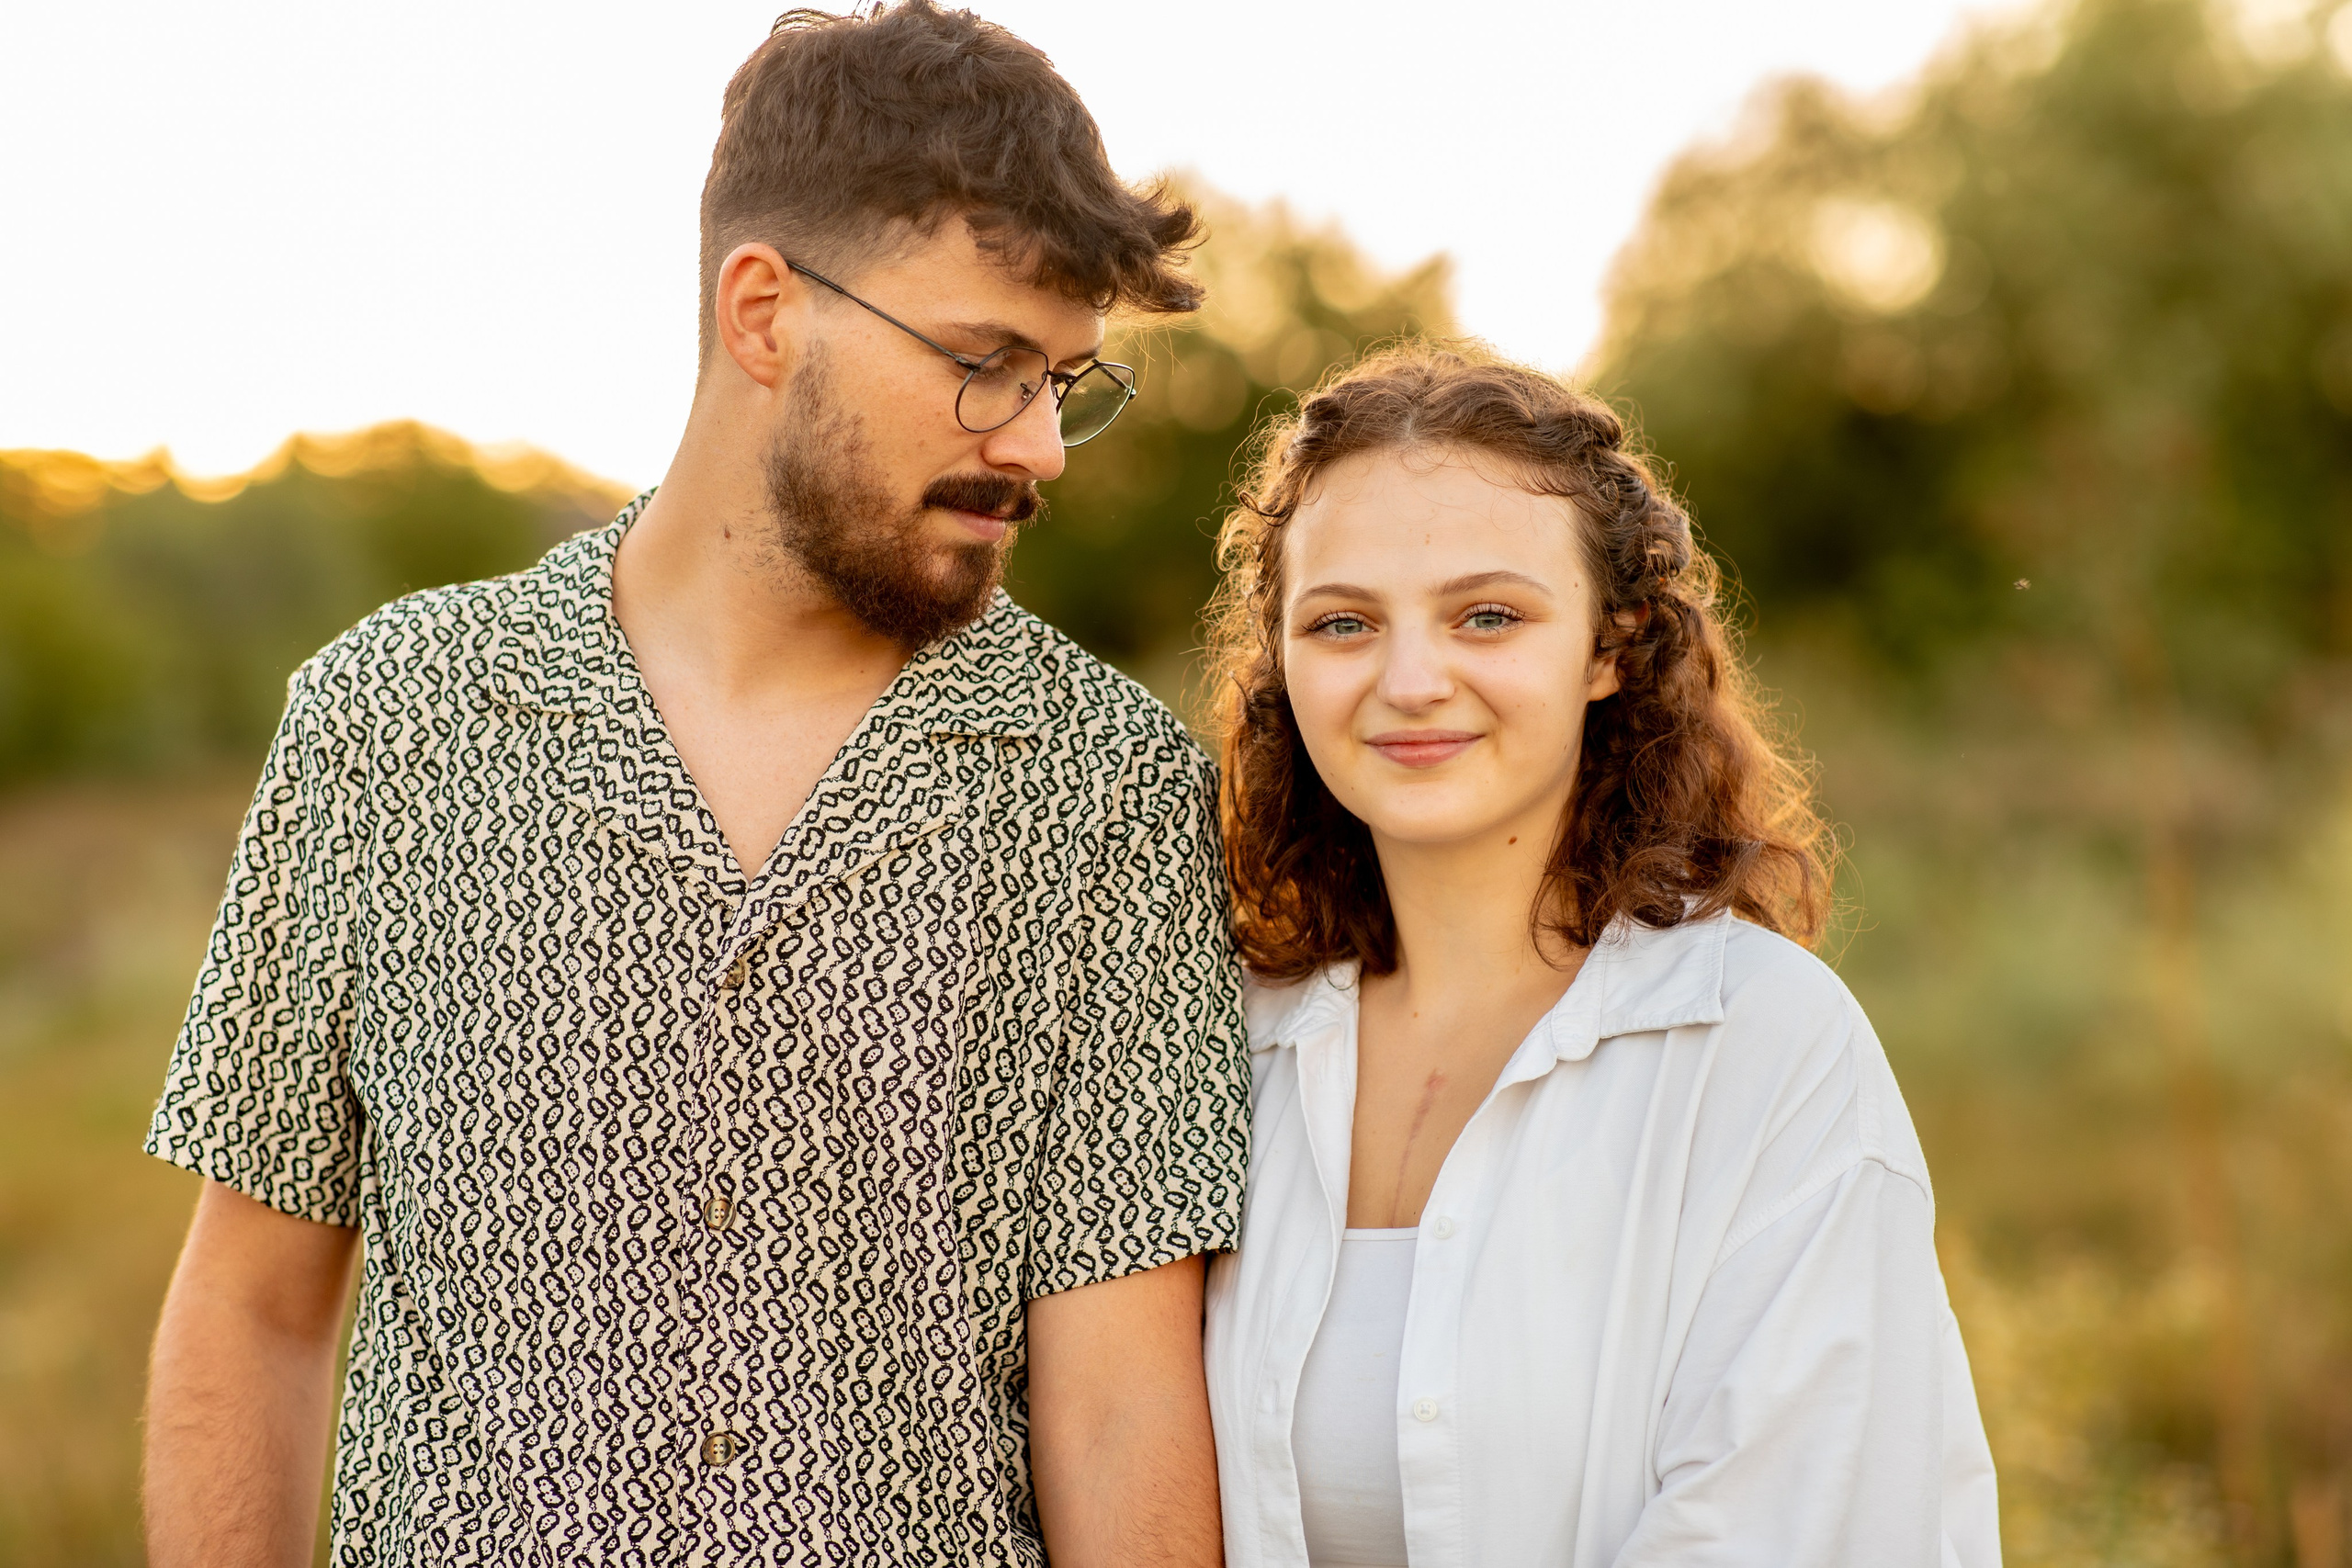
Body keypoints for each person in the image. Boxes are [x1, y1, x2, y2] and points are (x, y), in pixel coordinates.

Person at [140, 6, 1249, 1563]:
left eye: (1068, 380)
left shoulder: (1112, 791)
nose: (1043, 448)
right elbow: (251, 1310)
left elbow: (1120, 1404)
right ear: (762, 312)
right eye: (990, 367)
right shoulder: (385, 725)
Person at [1200, 344, 2001, 1567]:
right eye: (1344, 622)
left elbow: (1800, 1528)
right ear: (1284, 664)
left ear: (1610, 649)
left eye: (1489, 616)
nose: (1411, 681)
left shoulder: (1762, 1047)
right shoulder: (1217, 1043)